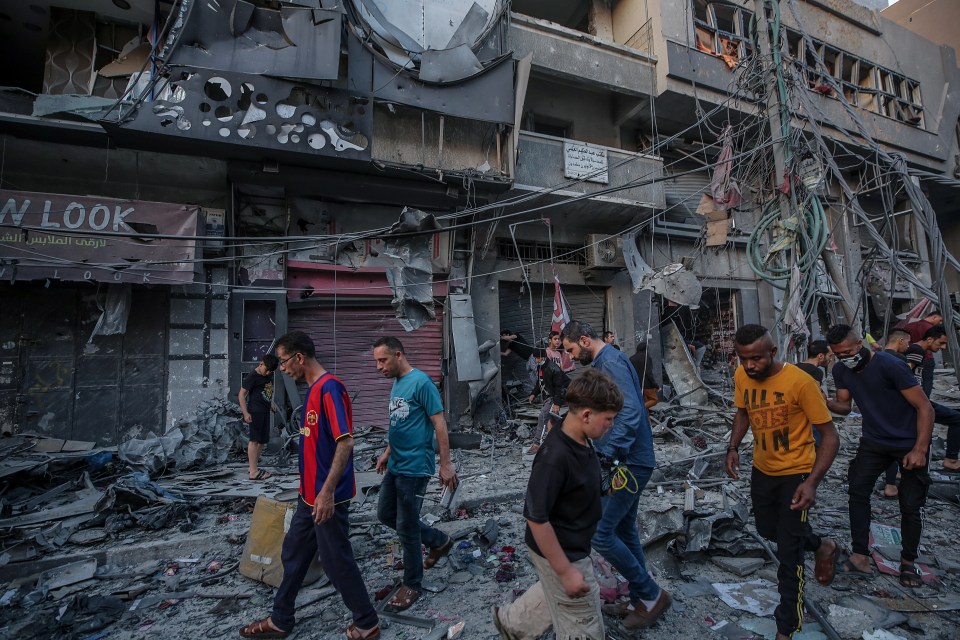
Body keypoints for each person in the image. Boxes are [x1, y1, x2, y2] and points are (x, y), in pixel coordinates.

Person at [240, 332, 379, 640]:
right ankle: (281, 618)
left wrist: (327, 492)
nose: (282, 369)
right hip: (308, 495)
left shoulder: (330, 389)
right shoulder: (312, 391)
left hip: (327, 496)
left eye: (284, 361)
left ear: (299, 358)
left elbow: (346, 443)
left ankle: (367, 622)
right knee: (294, 551)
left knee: (335, 559)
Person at [493, 369, 625, 640]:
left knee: (555, 590)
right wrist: (565, 571)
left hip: (573, 544)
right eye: (609, 419)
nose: (611, 425)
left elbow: (576, 484)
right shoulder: (554, 457)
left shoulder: (581, 436)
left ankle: (513, 623)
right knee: (584, 619)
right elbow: (536, 517)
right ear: (587, 415)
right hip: (564, 552)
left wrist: (605, 487)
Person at [726, 325, 839, 640]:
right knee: (768, 531)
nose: (750, 366)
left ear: (773, 352)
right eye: (743, 359)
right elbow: (743, 412)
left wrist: (812, 482)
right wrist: (733, 447)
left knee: (789, 556)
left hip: (797, 474)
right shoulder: (742, 376)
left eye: (756, 359)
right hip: (763, 470)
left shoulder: (801, 383)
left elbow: (830, 437)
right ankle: (823, 545)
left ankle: (786, 626)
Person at [560, 321, 669, 629]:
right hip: (633, 459)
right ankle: (640, 599)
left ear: (583, 340)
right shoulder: (612, 360)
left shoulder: (609, 362)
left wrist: (609, 456)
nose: (569, 358)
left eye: (569, 350)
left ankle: (651, 593)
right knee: (623, 530)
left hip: (629, 462)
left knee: (600, 533)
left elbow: (632, 411)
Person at [825, 324, 934, 588]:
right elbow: (844, 405)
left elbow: (925, 407)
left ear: (860, 343)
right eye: (840, 354)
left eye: (850, 351)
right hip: (873, 441)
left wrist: (920, 449)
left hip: (908, 442)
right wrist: (821, 400)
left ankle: (908, 562)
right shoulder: (841, 370)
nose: (847, 358)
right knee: (857, 492)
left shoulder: (890, 365)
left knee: (910, 504)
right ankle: (860, 555)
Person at [373, 336, 458, 612]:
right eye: (376, 361)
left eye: (382, 360)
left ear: (398, 355)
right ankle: (438, 540)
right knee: (386, 514)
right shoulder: (398, 383)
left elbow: (439, 423)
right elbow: (399, 422)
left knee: (407, 526)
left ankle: (412, 584)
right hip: (397, 463)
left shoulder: (421, 382)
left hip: (415, 467)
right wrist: (387, 452)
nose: (378, 367)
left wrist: (445, 465)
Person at [903, 326, 960, 473]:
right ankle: (951, 459)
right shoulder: (916, 350)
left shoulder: (921, 352)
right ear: (929, 339)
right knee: (956, 419)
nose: (943, 347)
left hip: (921, 401)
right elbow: (904, 374)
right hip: (917, 402)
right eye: (940, 343)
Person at [880, 329, 912, 498]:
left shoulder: (877, 357)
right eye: (908, 342)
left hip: (880, 409)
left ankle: (891, 481)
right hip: (898, 409)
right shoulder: (899, 360)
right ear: (900, 340)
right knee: (898, 446)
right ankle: (891, 484)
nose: (908, 345)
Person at [238, 354, 279, 481]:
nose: (267, 373)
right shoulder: (252, 377)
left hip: (265, 411)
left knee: (262, 441)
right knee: (254, 440)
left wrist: (271, 403)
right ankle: (253, 472)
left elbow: (266, 391)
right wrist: (245, 413)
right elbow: (241, 395)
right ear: (261, 364)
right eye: (266, 369)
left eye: (270, 371)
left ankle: (253, 467)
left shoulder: (269, 374)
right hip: (255, 412)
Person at [527, 348, 570, 455]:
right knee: (553, 420)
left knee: (543, 416)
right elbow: (539, 382)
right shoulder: (540, 367)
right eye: (535, 358)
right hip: (550, 396)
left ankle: (536, 444)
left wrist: (557, 403)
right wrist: (533, 393)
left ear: (543, 357)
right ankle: (561, 442)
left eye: (537, 358)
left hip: (557, 395)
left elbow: (559, 387)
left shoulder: (553, 369)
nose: (536, 360)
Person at [895, 308, 943, 398]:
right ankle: (925, 401)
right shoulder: (932, 329)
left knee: (912, 379)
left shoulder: (909, 325)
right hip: (926, 357)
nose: (940, 323)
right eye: (940, 320)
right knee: (927, 381)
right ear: (934, 317)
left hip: (910, 356)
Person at [629, 341, 660, 409]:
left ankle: (646, 419)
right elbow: (649, 373)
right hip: (646, 385)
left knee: (643, 401)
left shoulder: (631, 358)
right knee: (654, 400)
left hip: (636, 385)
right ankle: (640, 409)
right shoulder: (646, 358)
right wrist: (655, 385)